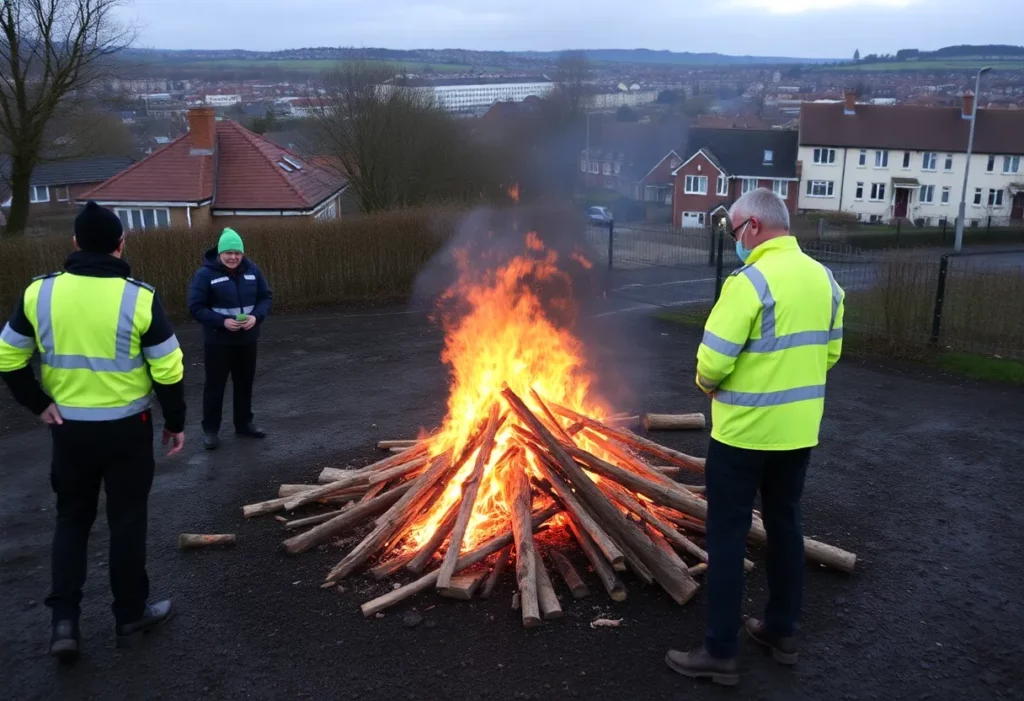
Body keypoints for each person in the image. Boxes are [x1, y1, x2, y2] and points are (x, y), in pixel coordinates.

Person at [665, 188, 845, 686]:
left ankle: (720, 652)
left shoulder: (749, 283)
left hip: (742, 436)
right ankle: (782, 633)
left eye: (734, 231)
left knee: (727, 536)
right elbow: (830, 355)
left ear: (754, 228)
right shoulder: (826, 280)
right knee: (786, 528)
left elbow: (712, 363)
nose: (734, 241)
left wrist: (707, 385)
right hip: (797, 436)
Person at [0, 201, 186, 662]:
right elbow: (168, 368)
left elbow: (8, 357)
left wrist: (38, 403)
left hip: (70, 433)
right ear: (121, 245)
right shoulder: (138, 297)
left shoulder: (39, 293)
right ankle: (130, 615)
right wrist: (175, 422)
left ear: (75, 243)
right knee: (127, 522)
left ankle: (64, 623)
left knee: (71, 520)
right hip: (127, 431)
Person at [187, 228, 272, 450]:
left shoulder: (253, 270)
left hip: (247, 339)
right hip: (219, 342)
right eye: (228, 253)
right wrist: (222, 322)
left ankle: (244, 423)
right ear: (220, 253)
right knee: (215, 386)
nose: (233, 257)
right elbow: (196, 307)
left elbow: (265, 297)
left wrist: (256, 316)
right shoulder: (205, 274)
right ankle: (211, 430)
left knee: (244, 384)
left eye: (237, 253)